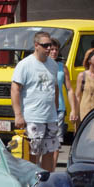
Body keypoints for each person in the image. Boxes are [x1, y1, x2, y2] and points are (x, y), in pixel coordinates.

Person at [10, 30, 61, 173]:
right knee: (32, 154)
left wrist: (55, 110)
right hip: (32, 117)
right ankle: (31, 184)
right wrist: (18, 115)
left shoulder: (53, 65)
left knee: (49, 153)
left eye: (50, 45)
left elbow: (55, 88)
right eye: (45, 45)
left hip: (50, 117)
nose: (49, 48)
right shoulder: (25, 64)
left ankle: (46, 184)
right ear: (36, 45)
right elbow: (15, 89)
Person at [46, 40, 76, 141]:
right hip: (43, 108)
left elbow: (70, 90)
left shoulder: (62, 67)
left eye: (56, 50)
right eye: (52, 49)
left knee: (57, 141)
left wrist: (73, 109)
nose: (54, 52)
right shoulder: (41, 65)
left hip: (59, 109)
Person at [74, 47, 94, 124]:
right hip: (84, 113)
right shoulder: (82, 75)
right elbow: (77, 96)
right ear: (89, 60)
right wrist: (75, 112)